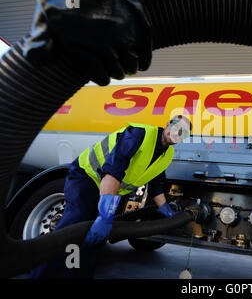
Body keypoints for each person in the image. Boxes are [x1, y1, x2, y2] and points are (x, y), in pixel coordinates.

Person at [29, 115, 192, 278]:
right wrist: (105, 216)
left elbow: (156, 185)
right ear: (167, 124)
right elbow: (113, 172)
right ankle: (40, 275)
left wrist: (167, 211)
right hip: (87, 176)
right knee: (73, 226)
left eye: (183, 133)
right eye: (176, 126)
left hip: (108, 189)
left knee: (95, 238)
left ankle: (78, 276)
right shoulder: (139, 134)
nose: (178, 132)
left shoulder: (166, 155)